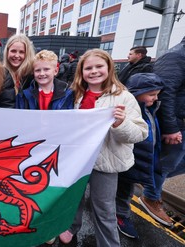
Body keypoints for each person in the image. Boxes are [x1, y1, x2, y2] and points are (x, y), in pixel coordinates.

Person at [50, 48, 148, 246]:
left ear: (109, 68)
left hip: (106, 163)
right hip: (77, 160)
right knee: (72, 199)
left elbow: (140, 133)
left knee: (104, 209)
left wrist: (121, 124)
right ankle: (71, 226)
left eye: (99, 66)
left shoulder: (123, 97)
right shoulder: (75, 94)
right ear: (82, 71)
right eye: (88, 68)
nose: (94, 71)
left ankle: (109, 243)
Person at [138, 36, 185, 227]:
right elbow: (164, 93)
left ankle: (147, 179)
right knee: (166, 162)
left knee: (172, 164)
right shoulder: (175, 56)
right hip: (176, 125)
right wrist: (171, 128)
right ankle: (150, 196)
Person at [115, 73, 164, 239]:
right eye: (151, 94)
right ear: (136, 93)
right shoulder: (129, 109)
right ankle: (120, 215)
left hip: (138, 160)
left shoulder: (150, 109)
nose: (155, 98)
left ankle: (120, 214)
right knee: (122, 190)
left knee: (125, 190)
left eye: (157, 94)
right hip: (126, 159)